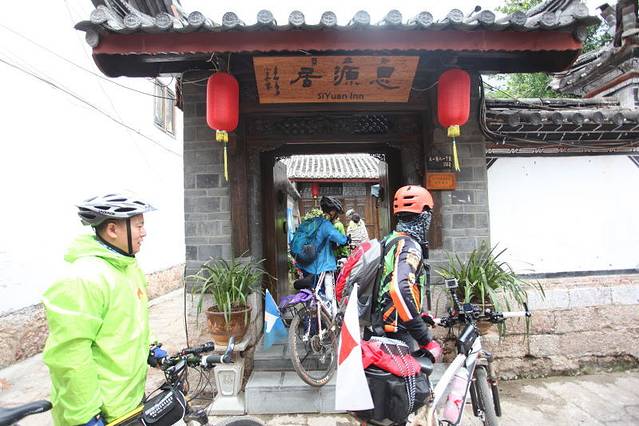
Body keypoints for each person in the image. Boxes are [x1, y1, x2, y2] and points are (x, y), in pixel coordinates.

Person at [42, 193, 157, 426]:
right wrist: (86, 416)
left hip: (127, 402)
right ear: (112, 230)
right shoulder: (83, 278)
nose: (144, 232)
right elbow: (70, 354)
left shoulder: (128, 268)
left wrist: (152, 347)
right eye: (139, 226)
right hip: (100, 413)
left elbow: (133, 320)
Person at [374, 185, 441, 359]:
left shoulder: (391, 239)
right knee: (415, 376)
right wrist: (423, 337)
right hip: (397, 330)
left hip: (384, 324)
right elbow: (399, 289)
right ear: (424, 216)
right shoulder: (409, 246)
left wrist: (418, 312)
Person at [294, 196, 349, 310]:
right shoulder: (326, 225)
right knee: (328, 295)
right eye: (336, 213)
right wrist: (347, 239)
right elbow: (340, 238)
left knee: (313, 293)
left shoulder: (314, 222)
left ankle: (311, 316)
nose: (337, 216)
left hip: (307, 264)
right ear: (332, 212)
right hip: (322, 266)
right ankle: (328, 316)